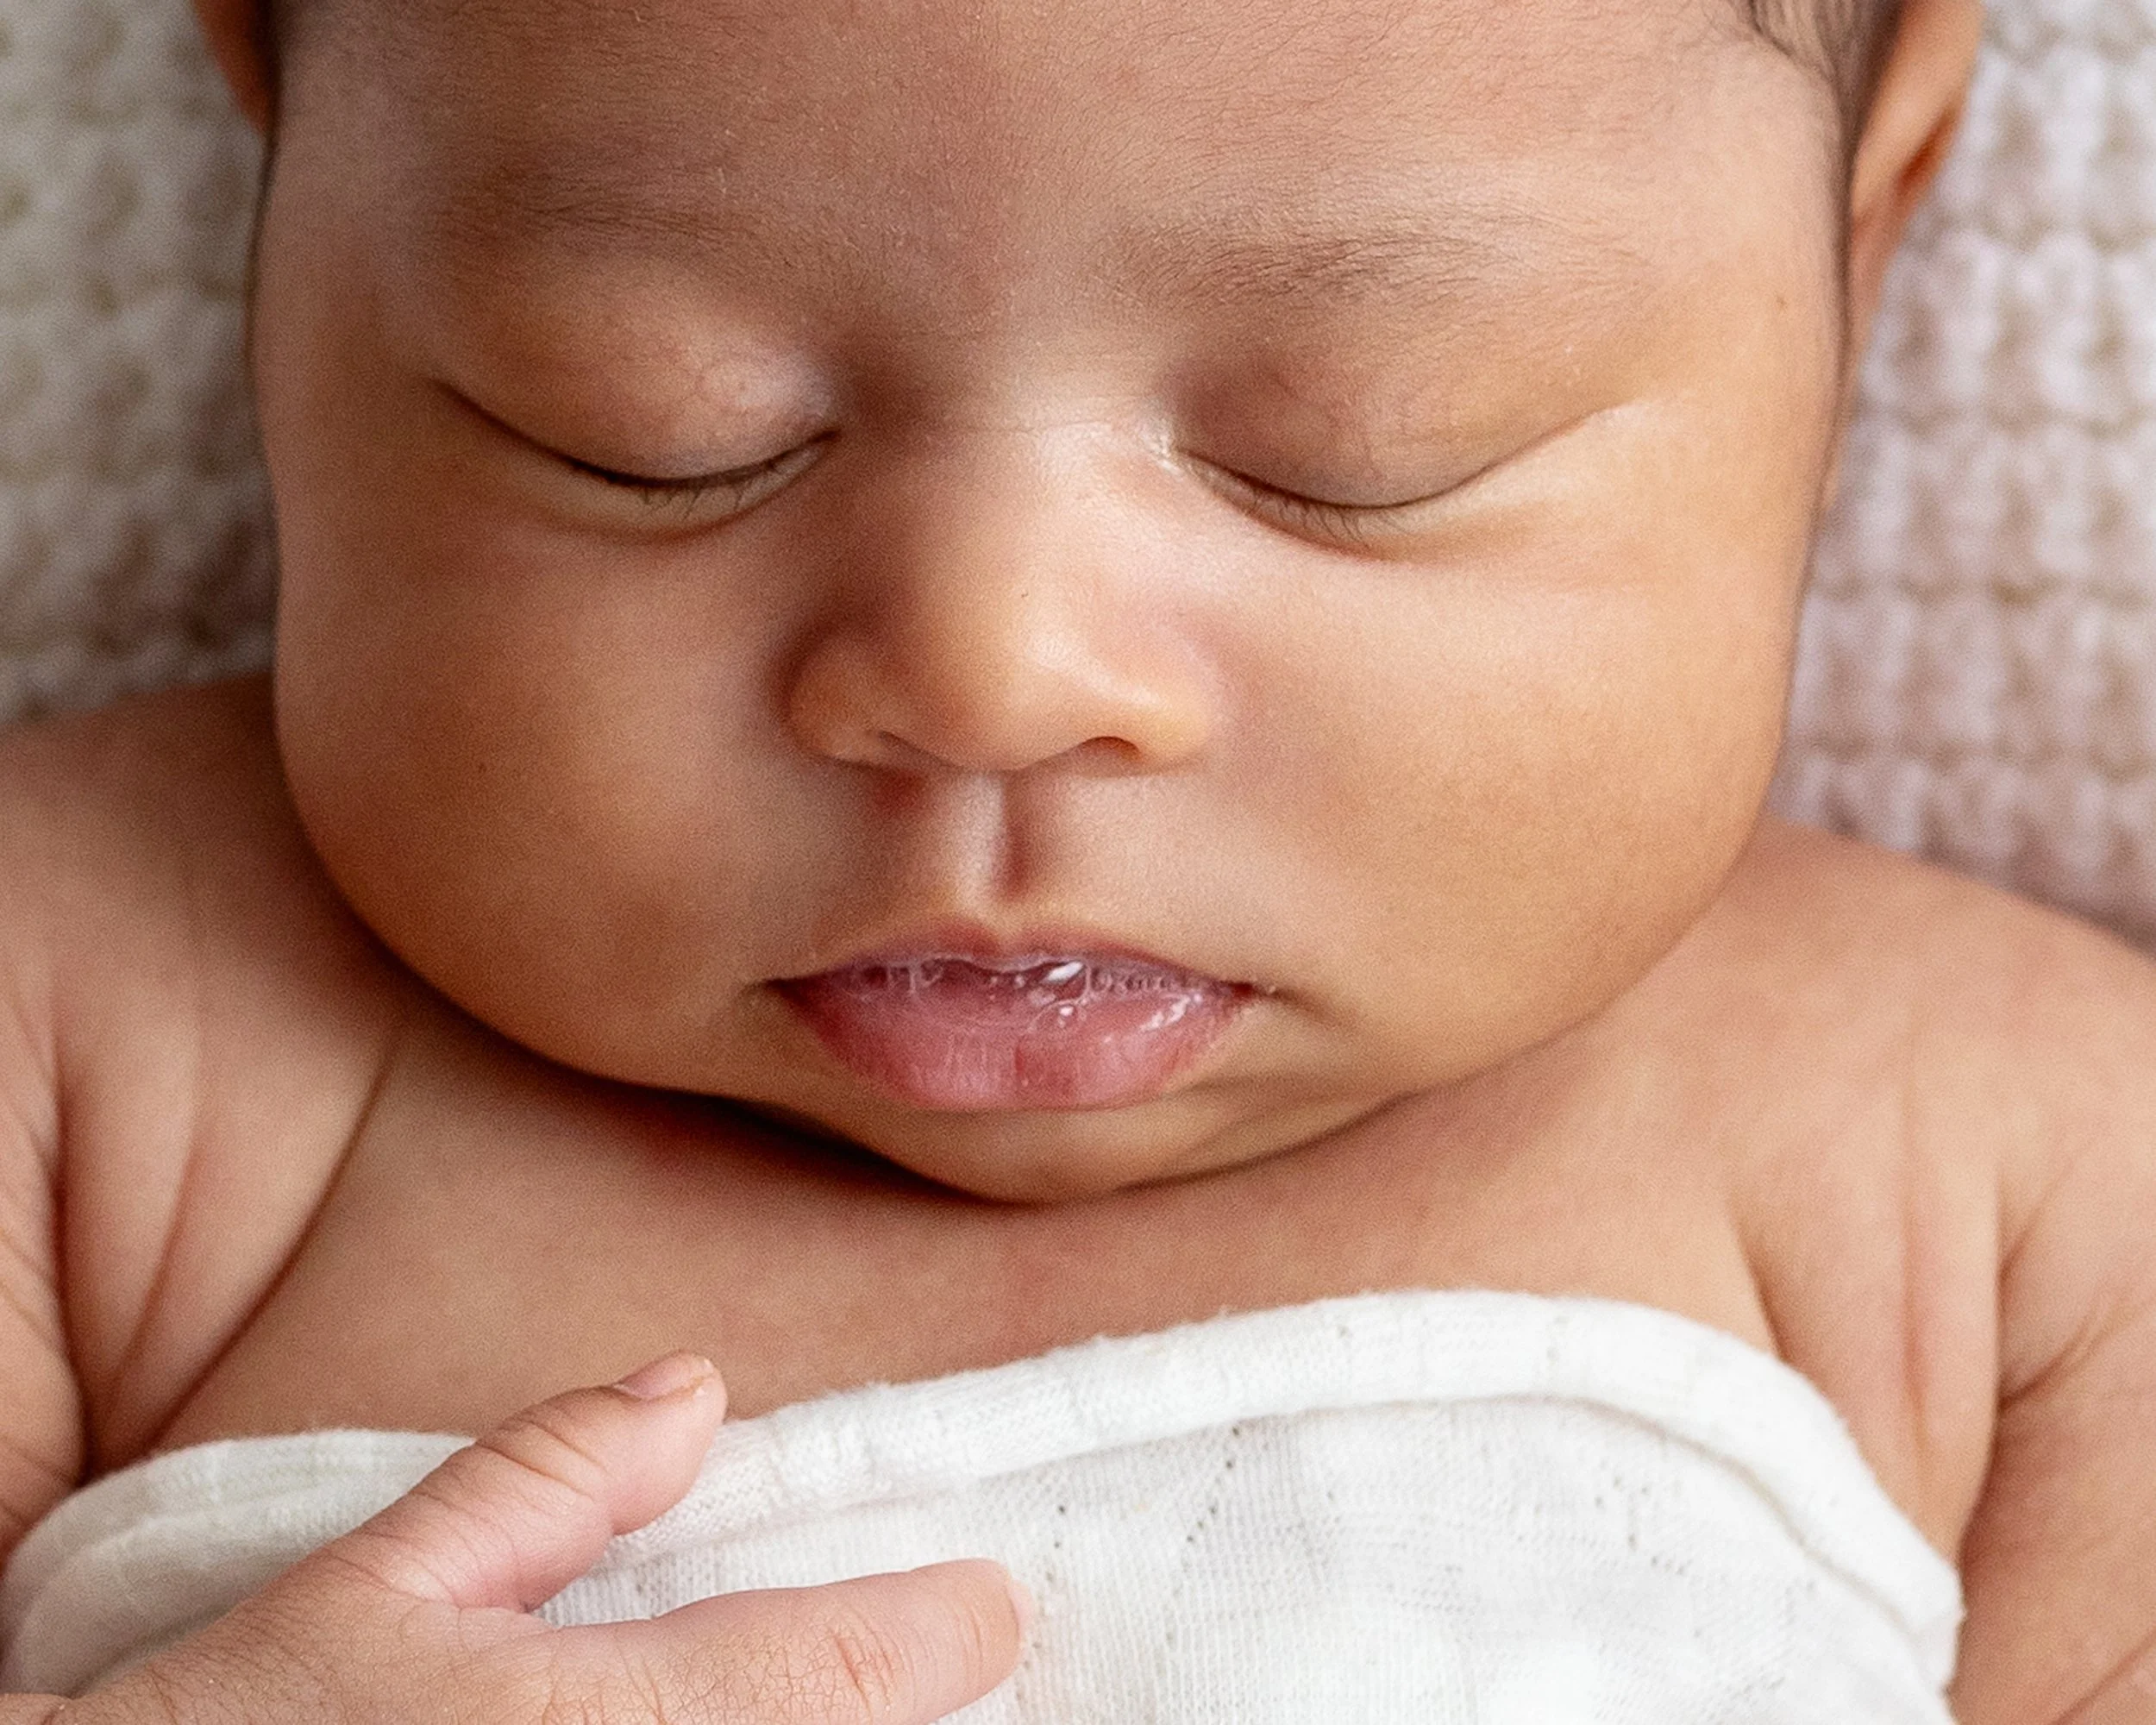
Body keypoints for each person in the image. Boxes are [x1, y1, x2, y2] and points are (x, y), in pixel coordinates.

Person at [0, 0, 2152, 1716]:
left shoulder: (2009, 1172)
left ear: (1853, 239)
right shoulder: (85, 1007)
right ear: (279, 143)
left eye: (1365, 446)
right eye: (653, 426)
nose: (990, 672)